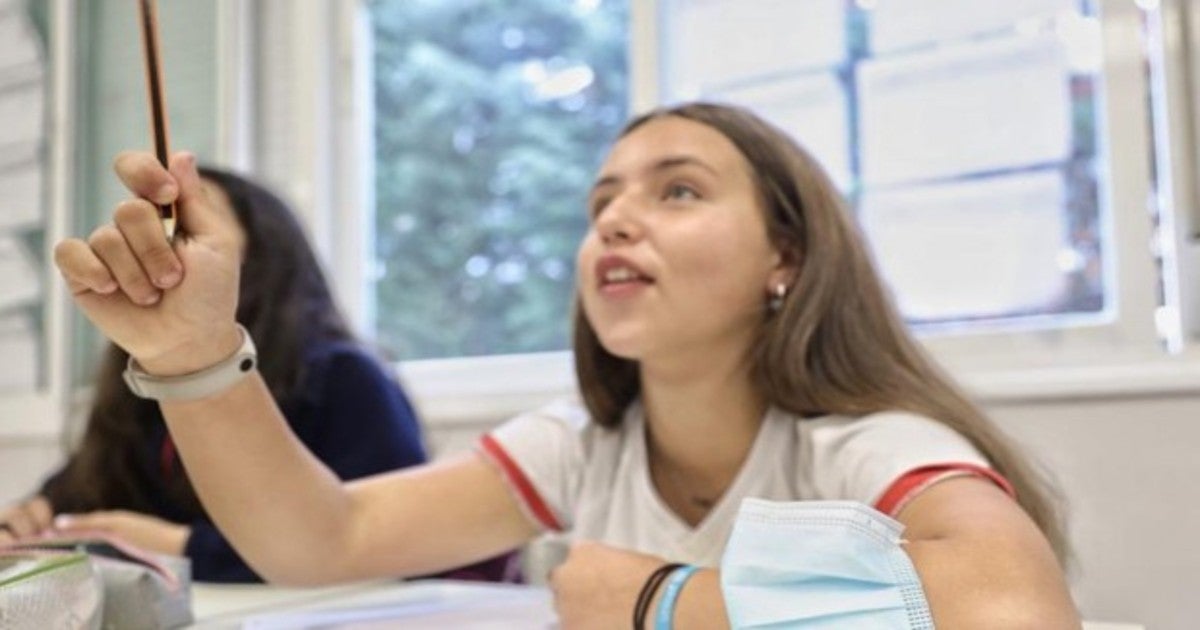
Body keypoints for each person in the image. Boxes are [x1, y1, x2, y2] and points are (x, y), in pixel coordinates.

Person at [52, 103, 1080, 627]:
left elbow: (1013, 607)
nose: (618, 219)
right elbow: (326, 537)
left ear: (787, 259)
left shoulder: (866, 442)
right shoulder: (580, 446)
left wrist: (662, 602)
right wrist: (192, 358)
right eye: (601, 205)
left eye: (677, 191)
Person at [1, 167, 509, 583]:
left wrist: (178, 547)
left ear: (262, 247)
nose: (155, 239)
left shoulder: (343, 378)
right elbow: (76, 495)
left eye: (189, 219)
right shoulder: (135, 389)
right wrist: (31, 521)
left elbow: (380, 548)